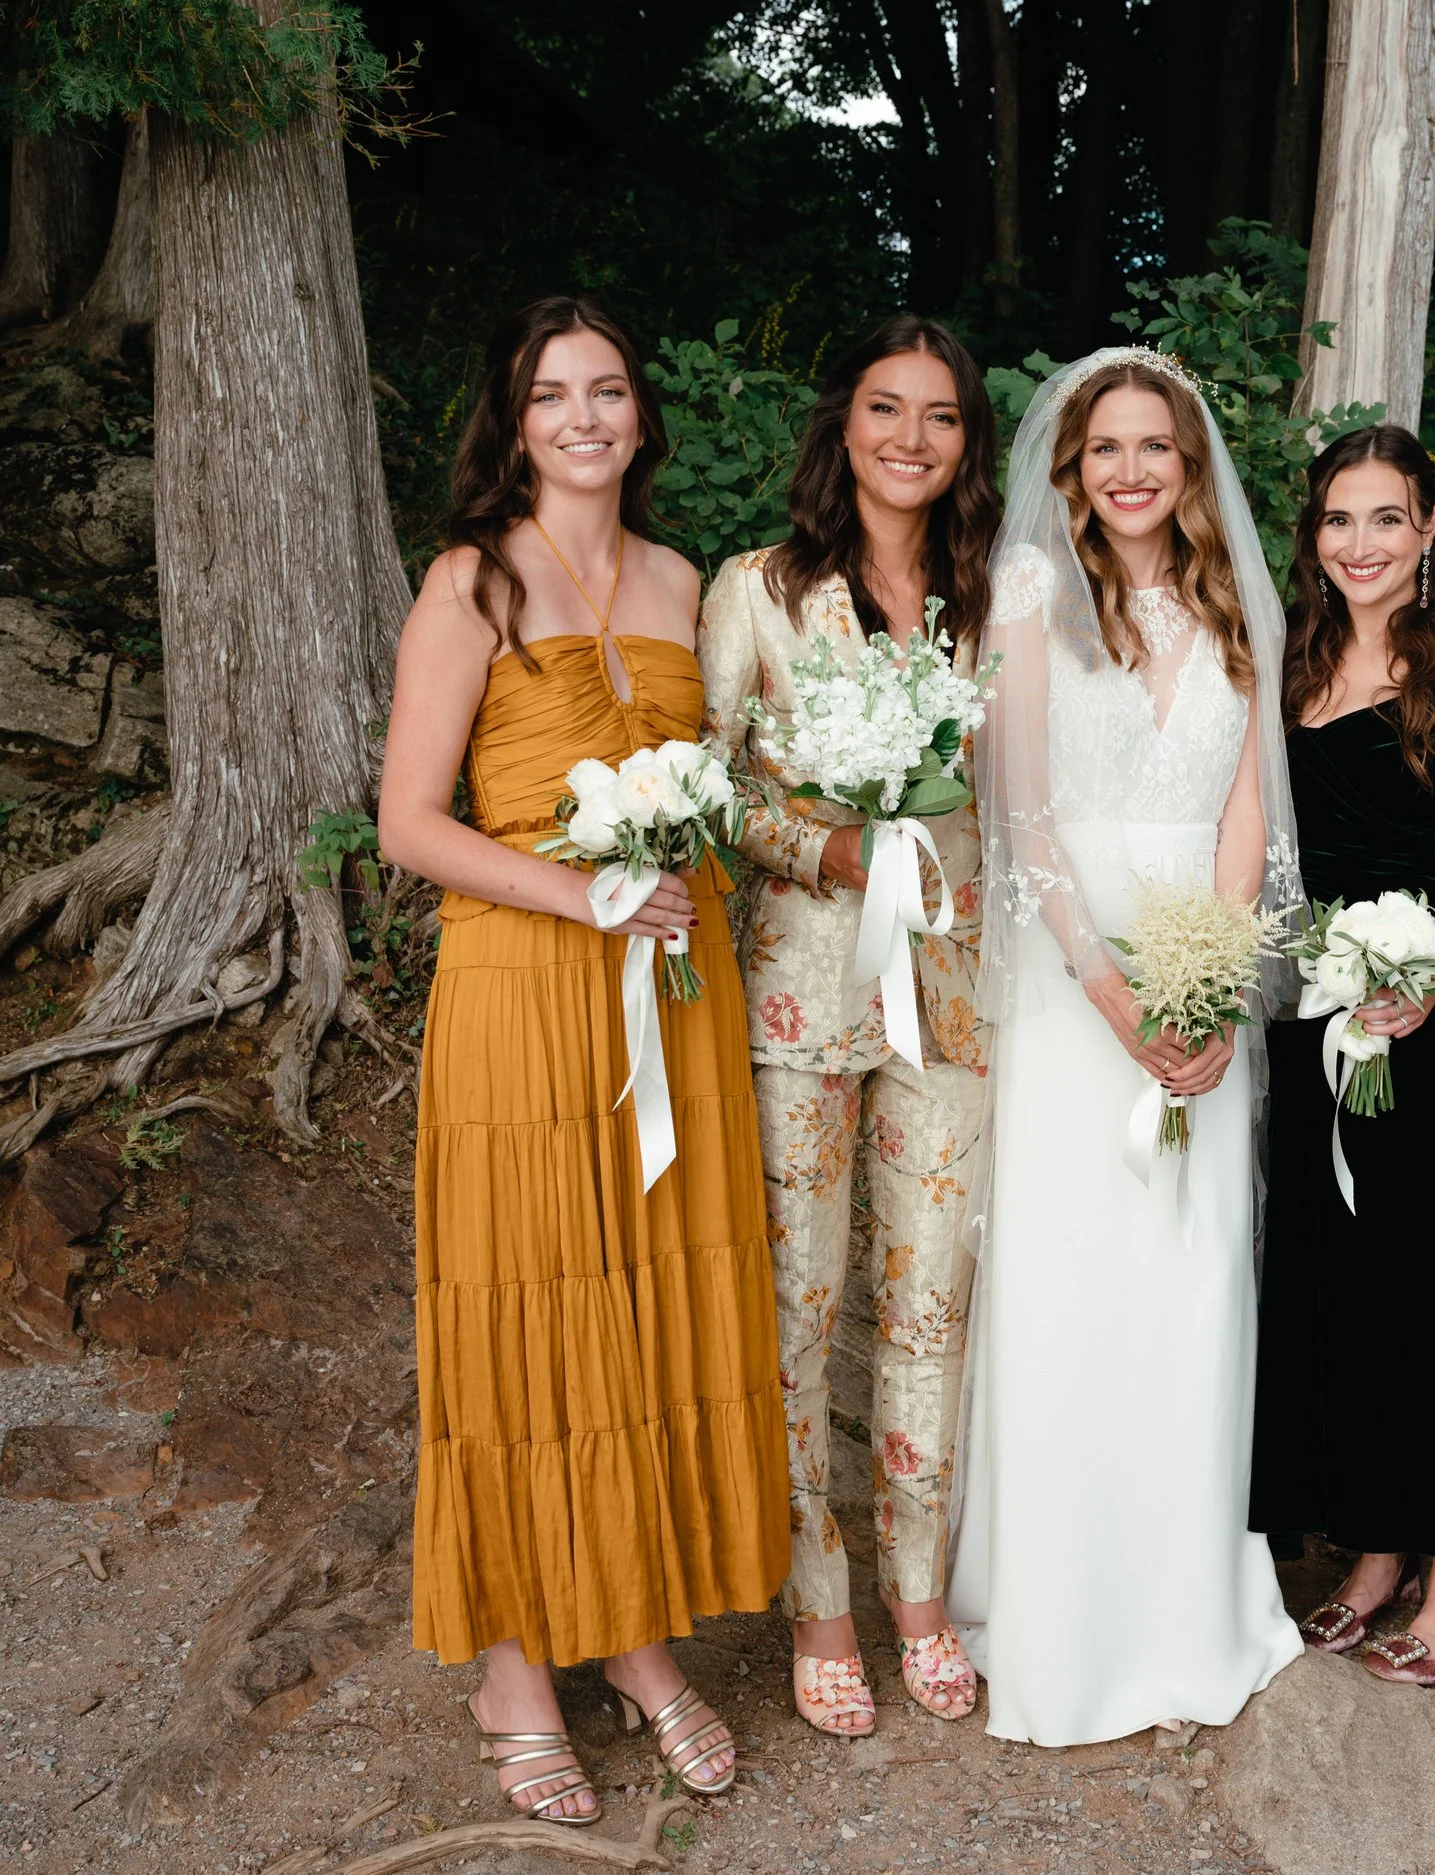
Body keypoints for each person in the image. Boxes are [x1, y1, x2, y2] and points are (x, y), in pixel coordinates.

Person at [380, 298, 786, 1820]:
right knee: (526, 1313)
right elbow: (409, 822)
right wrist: (585, 889)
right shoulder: (470, 580)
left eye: (608, 389)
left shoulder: (689, 578)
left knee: (641, 1308)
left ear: (640, 410)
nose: (585, 418)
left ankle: (631, 1634)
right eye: (553, 395)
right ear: (515, 415)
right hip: (523, 987)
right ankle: (511, 1670)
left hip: (671, 992)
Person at [947, 349, 1306, 1746]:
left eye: (1159, 445)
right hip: (1071, 983)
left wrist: (1218, 985)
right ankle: (1059, 1608)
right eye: (1110, 447)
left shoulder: (1232, 607)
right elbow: (1020, 818)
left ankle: (1187, 1599)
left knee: (1193, 1271)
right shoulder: (1032, 595)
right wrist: (1112, 994)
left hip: (1200, 980)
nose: (1136, 468)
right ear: (1071, 468)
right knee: (1071, 1277)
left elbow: (1247, 815)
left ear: (1193, 465)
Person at [695, 315, 1000, 1737]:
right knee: (801, 1299)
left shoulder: (993, 595)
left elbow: (1024, 791)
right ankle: (820, 1596)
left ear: (967, 440)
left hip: (953, 997)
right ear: (844, 420)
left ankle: (921, 1590)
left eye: (941, 417)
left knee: (932, 1291)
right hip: (801, 989)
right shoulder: (756, 586)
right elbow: (710, 789)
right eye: (888, 407)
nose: (911, 439)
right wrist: (829, 852)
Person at [1249, 425, 1435, 1688]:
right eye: (1337, 521)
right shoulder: (1288, 668)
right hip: (1321, 1007)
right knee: (1343, 1286)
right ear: (1312, 535)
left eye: (1386, 519)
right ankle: (1371, 1550)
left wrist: (1432, 981)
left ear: (1429, 527)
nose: (1360, 545)